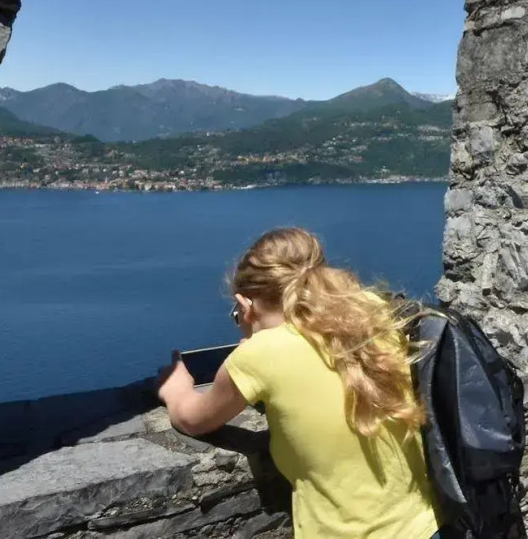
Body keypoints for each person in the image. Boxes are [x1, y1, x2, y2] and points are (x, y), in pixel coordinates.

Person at [157, 227, 440, 539]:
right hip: (428, 525)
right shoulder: (374, 311)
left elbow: (193, 419)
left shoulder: (259, 355)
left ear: (245, 305)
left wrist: (176, 389)